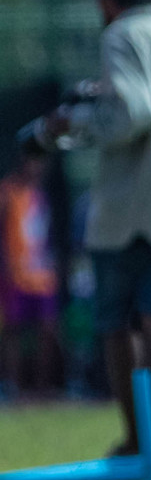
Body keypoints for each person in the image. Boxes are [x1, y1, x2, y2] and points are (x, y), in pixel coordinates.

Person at [45, 0, 151, 454]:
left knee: (116, 322)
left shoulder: (120, 35)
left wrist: (76, 123)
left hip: (127, 204)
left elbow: (134, 113)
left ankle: (138, 439)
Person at [0, 147, 62, 397]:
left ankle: (41, 388)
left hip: (42, 276)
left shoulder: (41, 196)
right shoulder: (7, 192)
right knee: (13, 331)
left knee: (47, 330)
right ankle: (13, 386)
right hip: (14, 274)